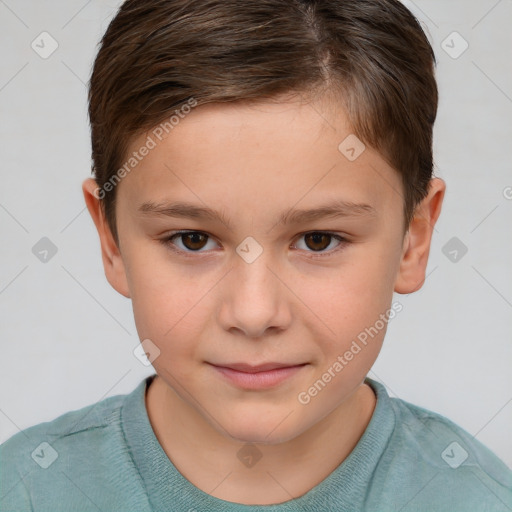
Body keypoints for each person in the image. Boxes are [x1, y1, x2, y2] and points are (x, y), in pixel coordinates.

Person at [1, 0, 511, 510]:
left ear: (413, 239)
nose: (253, 313)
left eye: (318, 240)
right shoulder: (24, 490)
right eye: (192, 239)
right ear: (110, 238)